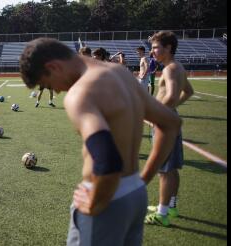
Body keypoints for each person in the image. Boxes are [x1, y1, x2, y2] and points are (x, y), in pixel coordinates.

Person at [19, 38, 181, 245]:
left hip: (106, 200)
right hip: (136, 194)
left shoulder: (79, 94)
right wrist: (143, 180)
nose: (57, 91)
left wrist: (96, 203)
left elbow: (108, 161)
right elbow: (171, 123)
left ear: (54, 67)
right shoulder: (121, 73)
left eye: (48, 84)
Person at [143, 31, 194, 227]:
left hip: (164, 124)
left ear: (169, 48)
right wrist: (170, 111)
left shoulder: (170, 69)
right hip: (168, 121)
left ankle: (162, 213)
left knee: (164, 170)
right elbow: (188, 91)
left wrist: (159, 113)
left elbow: (172, 95)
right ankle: (169, 206)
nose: (153, 51)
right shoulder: (175, 67)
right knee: (170, 168)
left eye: (156, 47)